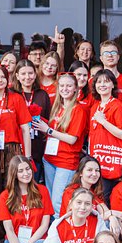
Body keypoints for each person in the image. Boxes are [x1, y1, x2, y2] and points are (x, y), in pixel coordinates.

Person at [33, 73, 89, 212]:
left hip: (66, 161)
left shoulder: (78, 110)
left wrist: (48, 130)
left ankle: (60, 226)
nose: (65, 89)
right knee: (51, 201)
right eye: (62, 86)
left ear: (75, 88)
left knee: (58, 202)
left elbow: (72, 139)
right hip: (49, 159)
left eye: (69, 86)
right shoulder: (57, 107)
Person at [0, 64, 32, 212]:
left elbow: (25, 129)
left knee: (12, 186)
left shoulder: (16, 98)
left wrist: (27, 156)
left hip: (11, 148)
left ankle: (12, 220)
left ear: (8, 79)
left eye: (3, 77)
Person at [0, 155, 53, 243]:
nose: (26, 173)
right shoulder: (5, 196)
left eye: (28, 169)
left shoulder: (42, 191)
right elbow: (9, 229)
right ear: (14, 174)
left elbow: (44, 225)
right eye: (21, 171)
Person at [88, 69, 122, 198]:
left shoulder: (117, 106)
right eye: (99, 82)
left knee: (105, 198)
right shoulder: (95, 106)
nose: (102, 85)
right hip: (97, 160)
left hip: (110, 161)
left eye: (106, 81)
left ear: (113, 85)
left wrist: (103, 121)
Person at [13, 59, 52, 180]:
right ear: (17, 76)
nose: (27, 77)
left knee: (34, 184)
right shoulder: (12, 94)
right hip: (17, 148)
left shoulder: (42, 95)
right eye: (23, 74)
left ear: (35, 75)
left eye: (30, 73)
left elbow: (48, 119)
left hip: (37, 148)